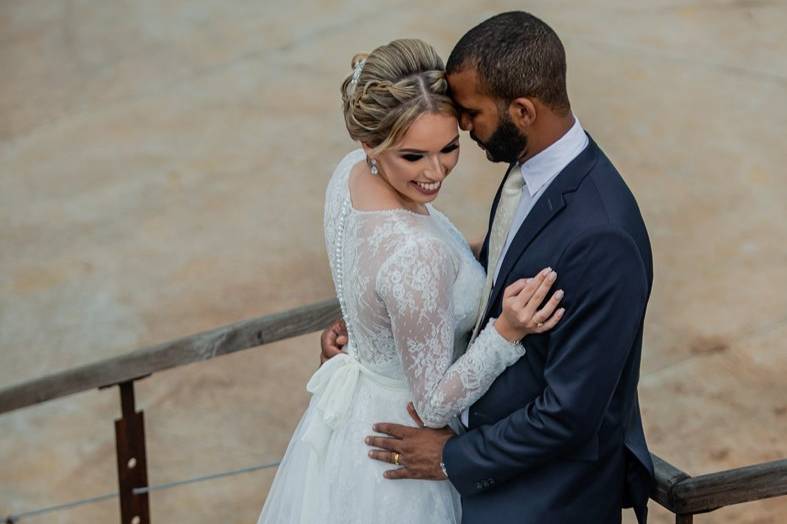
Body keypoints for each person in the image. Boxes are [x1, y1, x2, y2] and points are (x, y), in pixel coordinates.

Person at [323, 11, 656, 524]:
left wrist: (451, 459)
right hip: (475, 459)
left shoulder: (603, 237)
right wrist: (379, 316)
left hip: (539, 498)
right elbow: (502, 257)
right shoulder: (531, 167)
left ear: (521, 110)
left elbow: (571, 413)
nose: (461, 126)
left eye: (471, 115)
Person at [257, 38, 563, 524]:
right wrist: (507, 332)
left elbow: (375, 274)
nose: (435, 171)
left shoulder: (349, 173)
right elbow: (434, 403)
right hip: (400, 449)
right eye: (414, 156)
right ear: (370, 144)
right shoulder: (416, 257)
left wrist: (364, 323)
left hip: (354, 413)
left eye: (449, 148)